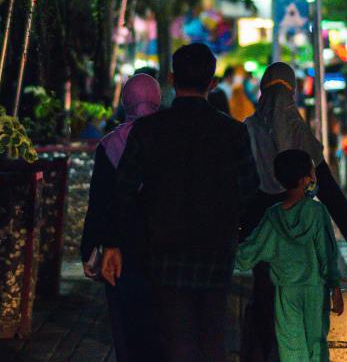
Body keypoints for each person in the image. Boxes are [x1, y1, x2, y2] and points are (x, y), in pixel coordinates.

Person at [101, 43, 259, 362]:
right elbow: (250, 191)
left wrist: (113, 244)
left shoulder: (148, 130)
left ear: (171, 79)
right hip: (216, 248)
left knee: (175, 334)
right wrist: (237, 233)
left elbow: (124, 189)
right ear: (212, 83)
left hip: (163, 248)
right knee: (212, 330)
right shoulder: (232, 132)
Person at [241, 61, 347, 362]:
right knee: (311, 329)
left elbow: (240, 186)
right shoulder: (298, 133)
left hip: (260, 224)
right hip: (306, 272)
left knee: (268, 303)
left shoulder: (249, 129)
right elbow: (329, 187)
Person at [81, 74, 162, 362]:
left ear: (125, 99)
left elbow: (99, 200)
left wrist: (90, 247)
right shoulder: (169, 138)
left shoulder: (110, 144)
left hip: (120, 246)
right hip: (163, 245)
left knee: (126, 323)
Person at [235, 149, 344, 362]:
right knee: (317, 344)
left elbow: (248, 253)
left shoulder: (272, 216)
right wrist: (336, 288)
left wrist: (223, 251)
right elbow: (327, 253)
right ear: (305, 180)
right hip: (315, 290)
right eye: (312, 172)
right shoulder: (317, 212)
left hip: (285, 292)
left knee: (290, 348)